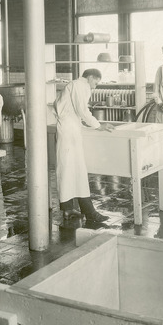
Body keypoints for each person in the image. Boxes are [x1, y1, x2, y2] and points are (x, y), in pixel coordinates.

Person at [53, 68, 113, 223]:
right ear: (90, 77)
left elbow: (73, 110)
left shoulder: (76, 86)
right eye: (96, 82)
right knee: (71, 170)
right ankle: (87, 211)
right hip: (68, 130)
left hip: (70, 128)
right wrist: (98, 125)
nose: (95, 87)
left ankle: (69, 209)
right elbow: (83, 110)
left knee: (71, 170)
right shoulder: (80, 85)